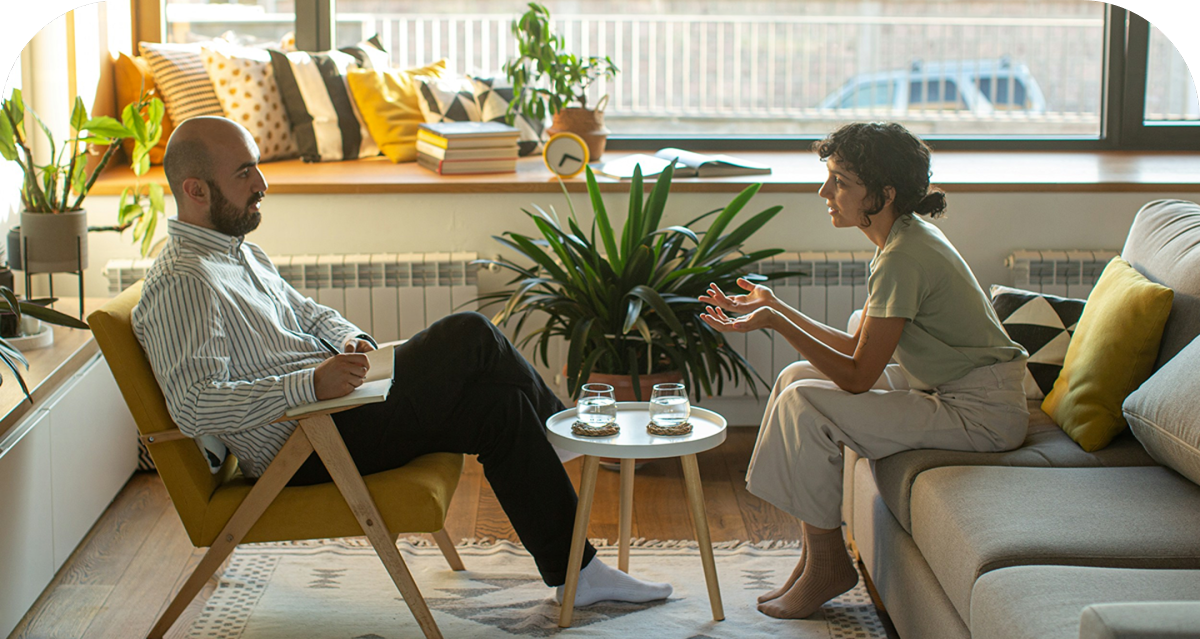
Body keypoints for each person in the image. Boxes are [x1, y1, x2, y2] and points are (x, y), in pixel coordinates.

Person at [132, 116, 672, 607]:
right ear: (195, 190)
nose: (262, 183)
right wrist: (310, 385)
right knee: (469, 333)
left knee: (501, 407)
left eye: (257, 167)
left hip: (338, 410)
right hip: (307, 445)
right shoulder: (184, 281)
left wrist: (353, 341)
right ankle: (560, 433)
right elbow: (195, 405)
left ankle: (579, 575)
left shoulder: (238, 252)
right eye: (244, 172)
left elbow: (311, 314)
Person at [698, 122, 1029, 619]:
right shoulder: (903, 240)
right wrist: (776, 307)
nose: (824, 192)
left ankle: (828, 563)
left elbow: (858, 376)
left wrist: (776, 323)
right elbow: (859, 348)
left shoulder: (904, 256)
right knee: (795, 379)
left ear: (884, 193)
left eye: (840, 182)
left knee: (804, 402)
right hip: (948, 389)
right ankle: (815, 558)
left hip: (980, 413)